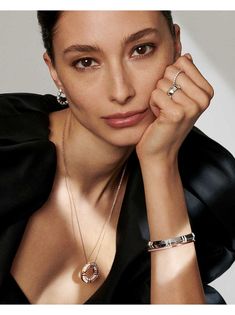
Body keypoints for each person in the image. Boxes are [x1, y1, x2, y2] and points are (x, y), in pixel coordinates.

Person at [0, 10, 235, 305]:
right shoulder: (8, 147)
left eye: (141, 50)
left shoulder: (203, 184)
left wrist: (160, 164)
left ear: (176, 45)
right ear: (55, 71)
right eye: (86, 62)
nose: (121, 91)